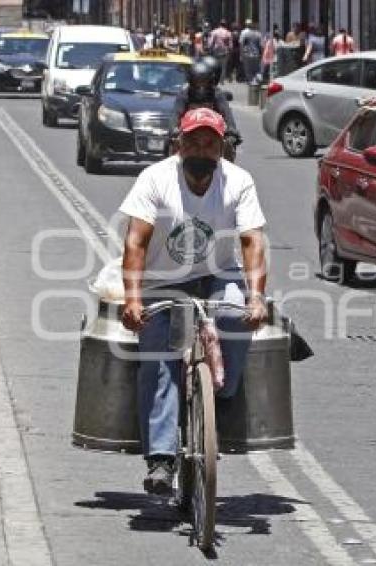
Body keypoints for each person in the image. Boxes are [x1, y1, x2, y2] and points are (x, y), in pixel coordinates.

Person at [120, 107, 268, 495]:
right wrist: (133, 300)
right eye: (194, 141)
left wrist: (256, 298)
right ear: (178, 144)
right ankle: (161, 458)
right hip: (161, 279)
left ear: (222, 147)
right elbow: (135, 242)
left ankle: (224, 398)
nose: (201, 149)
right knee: (158, 353)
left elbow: (252, 241)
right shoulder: (154, 179)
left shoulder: (239, 181)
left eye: (210, 142)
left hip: (217, 273)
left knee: (237, 317)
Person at [169, 58, 241, 149]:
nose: (201, 86)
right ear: (191, 82)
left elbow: (227, 113)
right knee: (172, 147)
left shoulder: (217, 94)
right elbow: (175, 113)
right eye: (197, 82)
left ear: (211, 82)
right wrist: (173, 130)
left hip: (213, 137)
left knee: (229, 148)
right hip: (189, 137)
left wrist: (232, 131)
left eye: (204, 82)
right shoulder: (184, 95)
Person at [208, 20, 233, 84]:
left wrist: (209, 49)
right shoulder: (228, 32)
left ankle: (216, 78)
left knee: (215, 65)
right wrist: (230, 51)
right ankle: (221, 80)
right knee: (223, 66)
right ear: (225, 25)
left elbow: (210, 43)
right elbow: (230, 45)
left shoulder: (214, 32)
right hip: (225, 51)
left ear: (219, 24)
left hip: (216, 51)